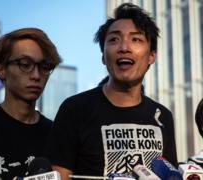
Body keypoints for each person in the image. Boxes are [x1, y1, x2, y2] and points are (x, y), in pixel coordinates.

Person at [45, 3, 177, 179]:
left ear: (151, 56)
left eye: (136, 39)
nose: (124, 47)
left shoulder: (163, 116)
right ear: (103, 56)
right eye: (114, 39)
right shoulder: (75, 109)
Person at [0, 28, 61, 179]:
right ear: (0, 69)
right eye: (25, 64)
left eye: (45, 67)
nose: (36, 75)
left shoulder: (56, 135)